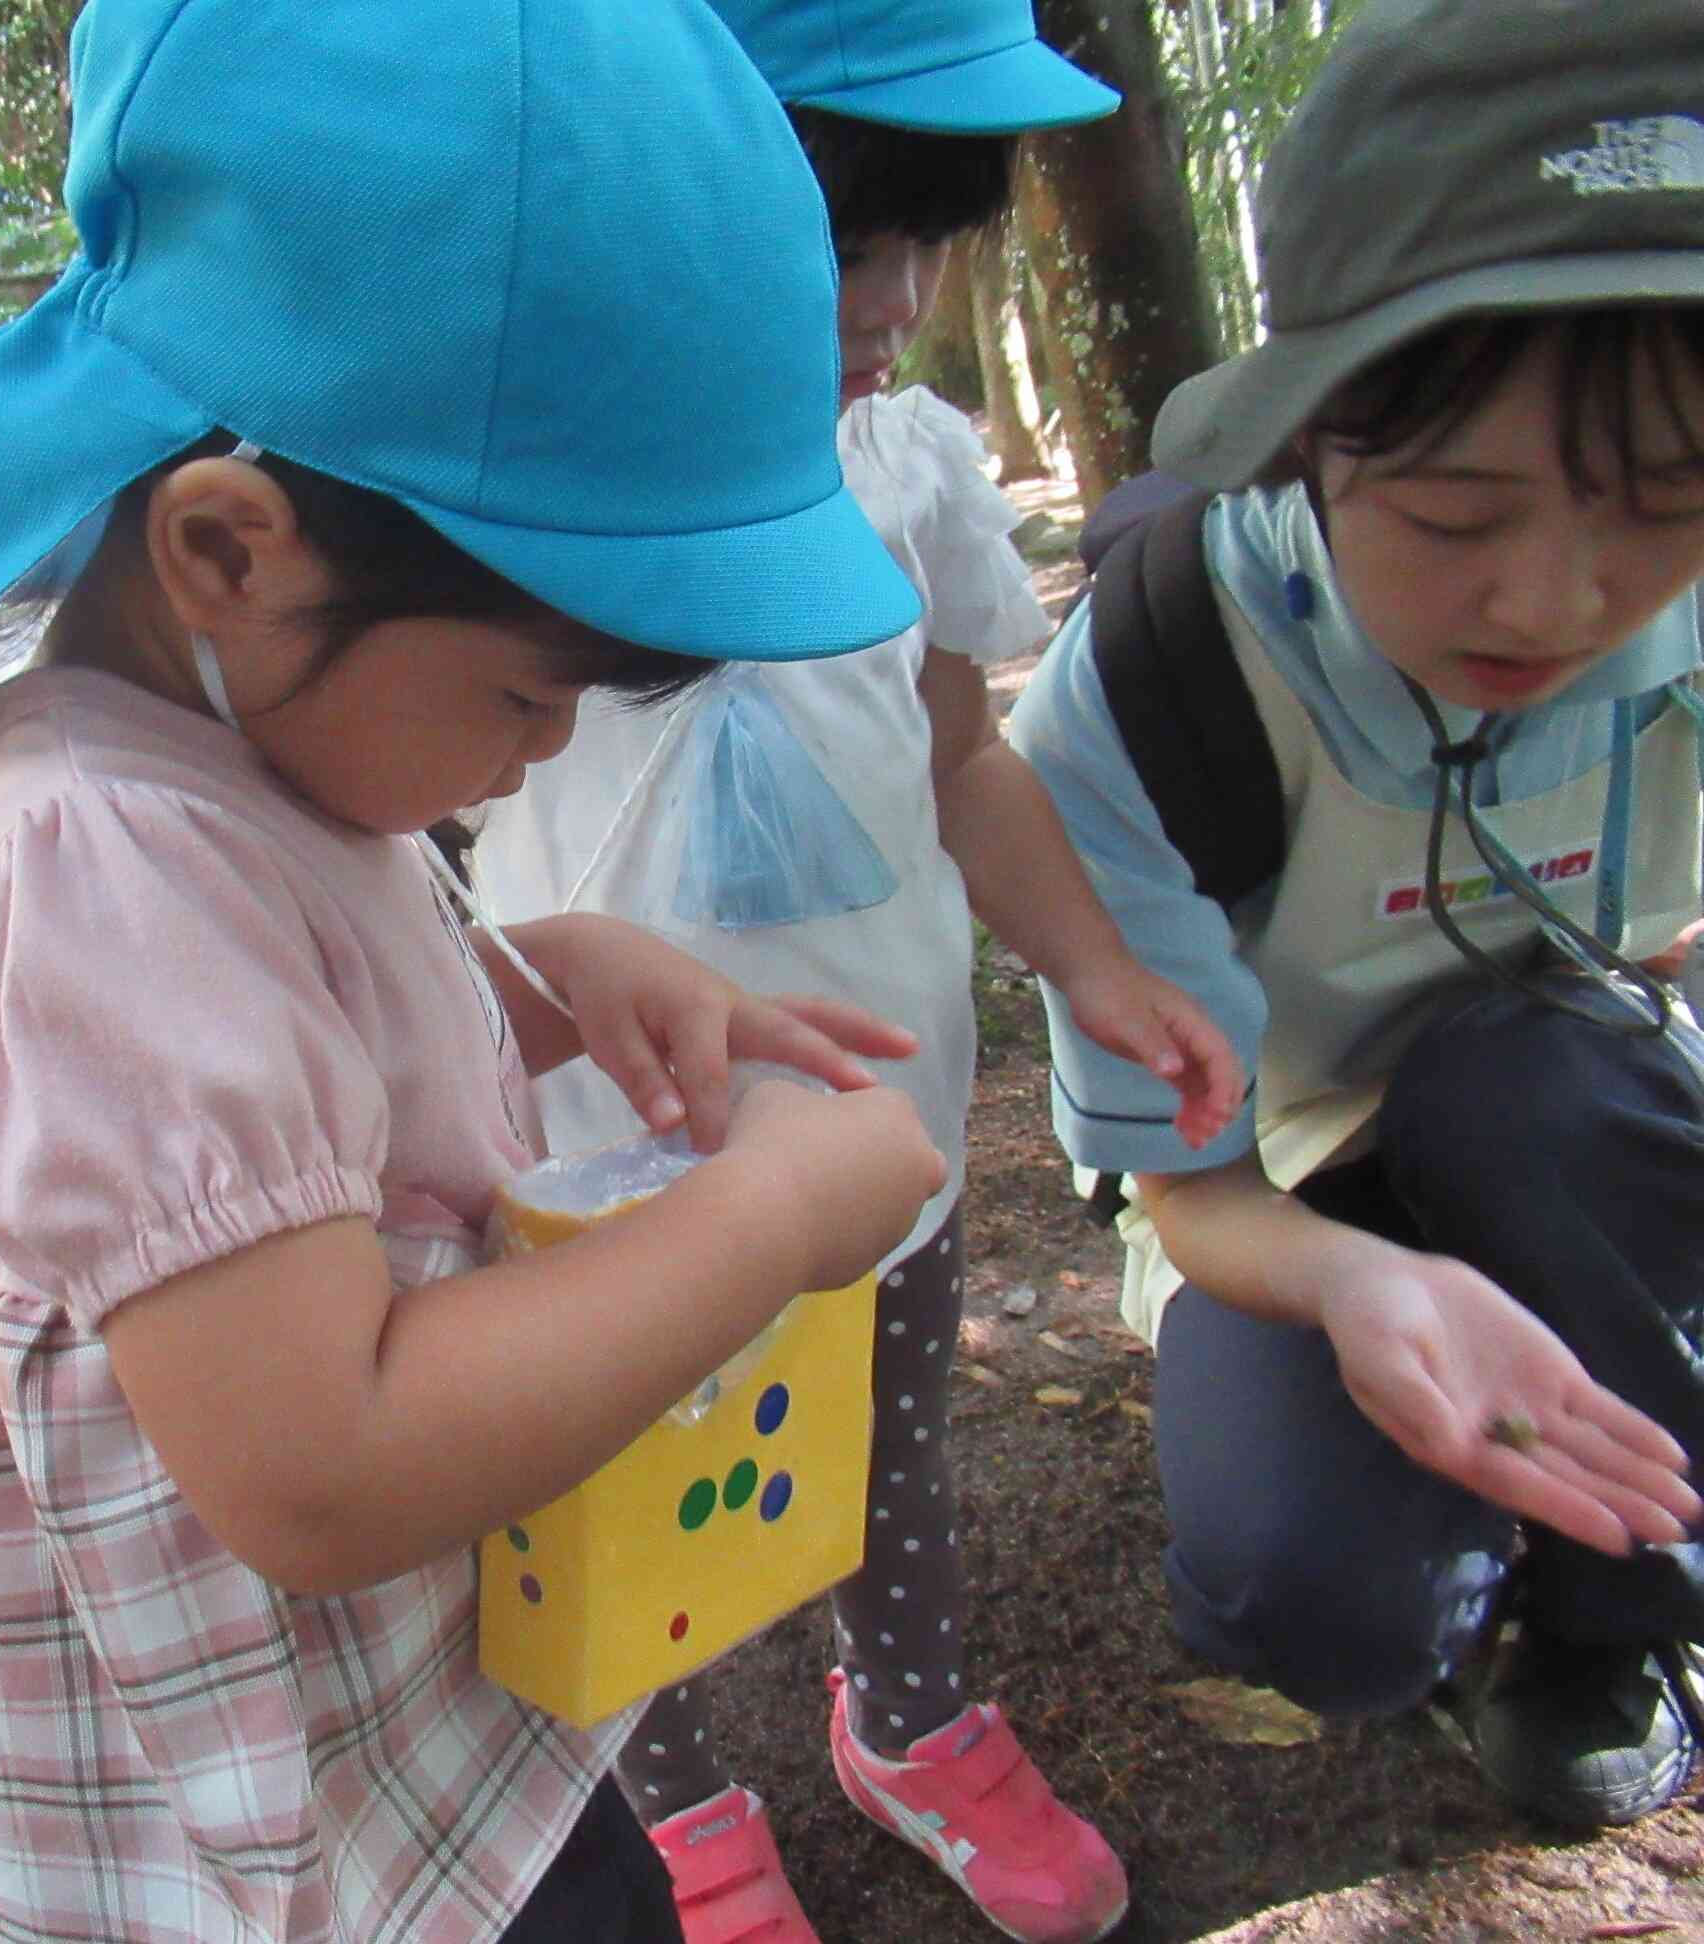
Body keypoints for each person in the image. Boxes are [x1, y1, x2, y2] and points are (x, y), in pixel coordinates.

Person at [0, 2, 963, 1938]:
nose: (541, 757)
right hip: (291, 1806)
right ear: (229, 552)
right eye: (525, 696)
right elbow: (326, 1466)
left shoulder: (247, 743)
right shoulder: (99, 863)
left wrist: (558, 974)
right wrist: (762, 1221)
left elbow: (312, 1031)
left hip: (420, 1716)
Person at [472, 6, 1241, 1940]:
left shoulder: (910, 463)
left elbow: (964, 757)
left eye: (927, 244)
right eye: (843, 242)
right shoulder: (526, 490)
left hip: (876, 1114)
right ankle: (668, 1801)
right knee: (611, 1480)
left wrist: (1094, 967)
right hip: (605, 1142)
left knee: (890, 1441)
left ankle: (909, 1719)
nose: (894, 300)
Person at [1009, 0, 1704, 1840]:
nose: (1557, 599)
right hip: (1289, 1179)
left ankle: (1624, 1620)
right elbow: (1193, 1185)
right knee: (1312, 1599)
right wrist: (1357, 1282)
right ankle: (1449, 1582)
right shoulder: (1148, 691)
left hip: (1574, 1104)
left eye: (1665, 508)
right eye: (1460, 515)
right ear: (1312, 434)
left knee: (1529, 1093)